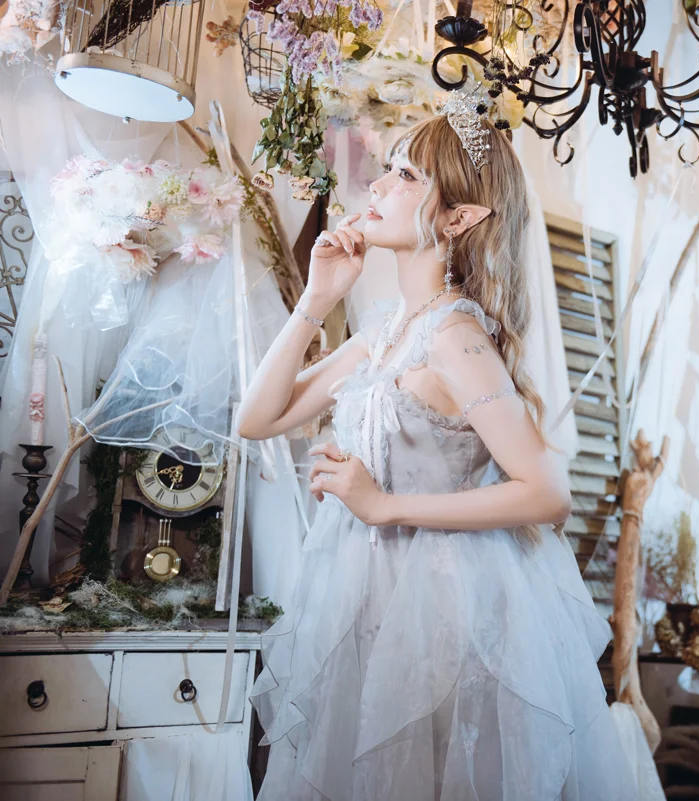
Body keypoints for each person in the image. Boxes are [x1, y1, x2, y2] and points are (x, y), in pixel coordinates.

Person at [237, 91, 637, 801]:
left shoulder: (454, 336)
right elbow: (257, 417)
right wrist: (317, 300)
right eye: (388, 168)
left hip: (446, 612)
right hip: (363, 600)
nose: (379, 186)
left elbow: (547, 493)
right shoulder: (385, 330)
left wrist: (383, 505)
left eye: (406, 175)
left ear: (458, 218)